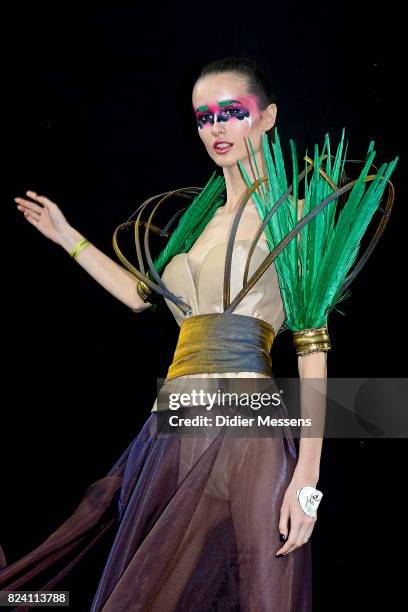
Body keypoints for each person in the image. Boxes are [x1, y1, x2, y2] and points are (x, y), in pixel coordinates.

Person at [0, 56, 396, 611]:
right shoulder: (197, 221)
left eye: (231, 112)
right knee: (148, 593)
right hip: (179, 423)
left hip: (248, 425)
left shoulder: (300, 215)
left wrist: (308, 483)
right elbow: (139, 297)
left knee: (263, 592)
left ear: (268, 117)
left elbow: (312, 349)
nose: (216, 127)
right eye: (204, 117)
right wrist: (68, 237)